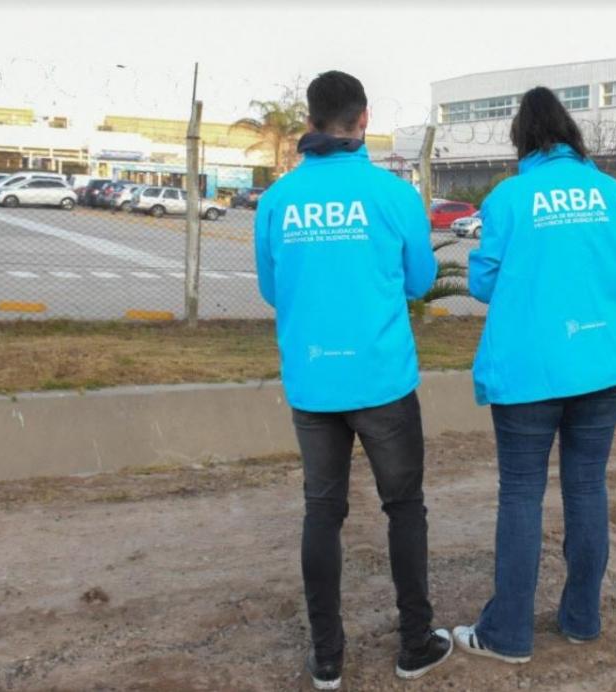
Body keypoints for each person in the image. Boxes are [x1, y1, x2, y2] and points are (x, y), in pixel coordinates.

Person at [254, 70, 452, 689]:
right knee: (404, 507)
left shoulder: (278, 200)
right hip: (382, 380)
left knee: (322, 510)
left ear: (309, 121)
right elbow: (421, 282)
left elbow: (271, 290)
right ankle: (414, 644)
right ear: (363, 119)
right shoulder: (392, 196)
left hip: (313, 382)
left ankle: (328, 657)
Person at [452, 86, 616, 663]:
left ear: (523, 141)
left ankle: (508, 635)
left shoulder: (510, 198)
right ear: (570, 135)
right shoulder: (614, 193)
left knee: (521, 494)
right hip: (608, 362)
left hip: (531, 371)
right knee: (587, 486)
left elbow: (484, 284)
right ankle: (582, 619)